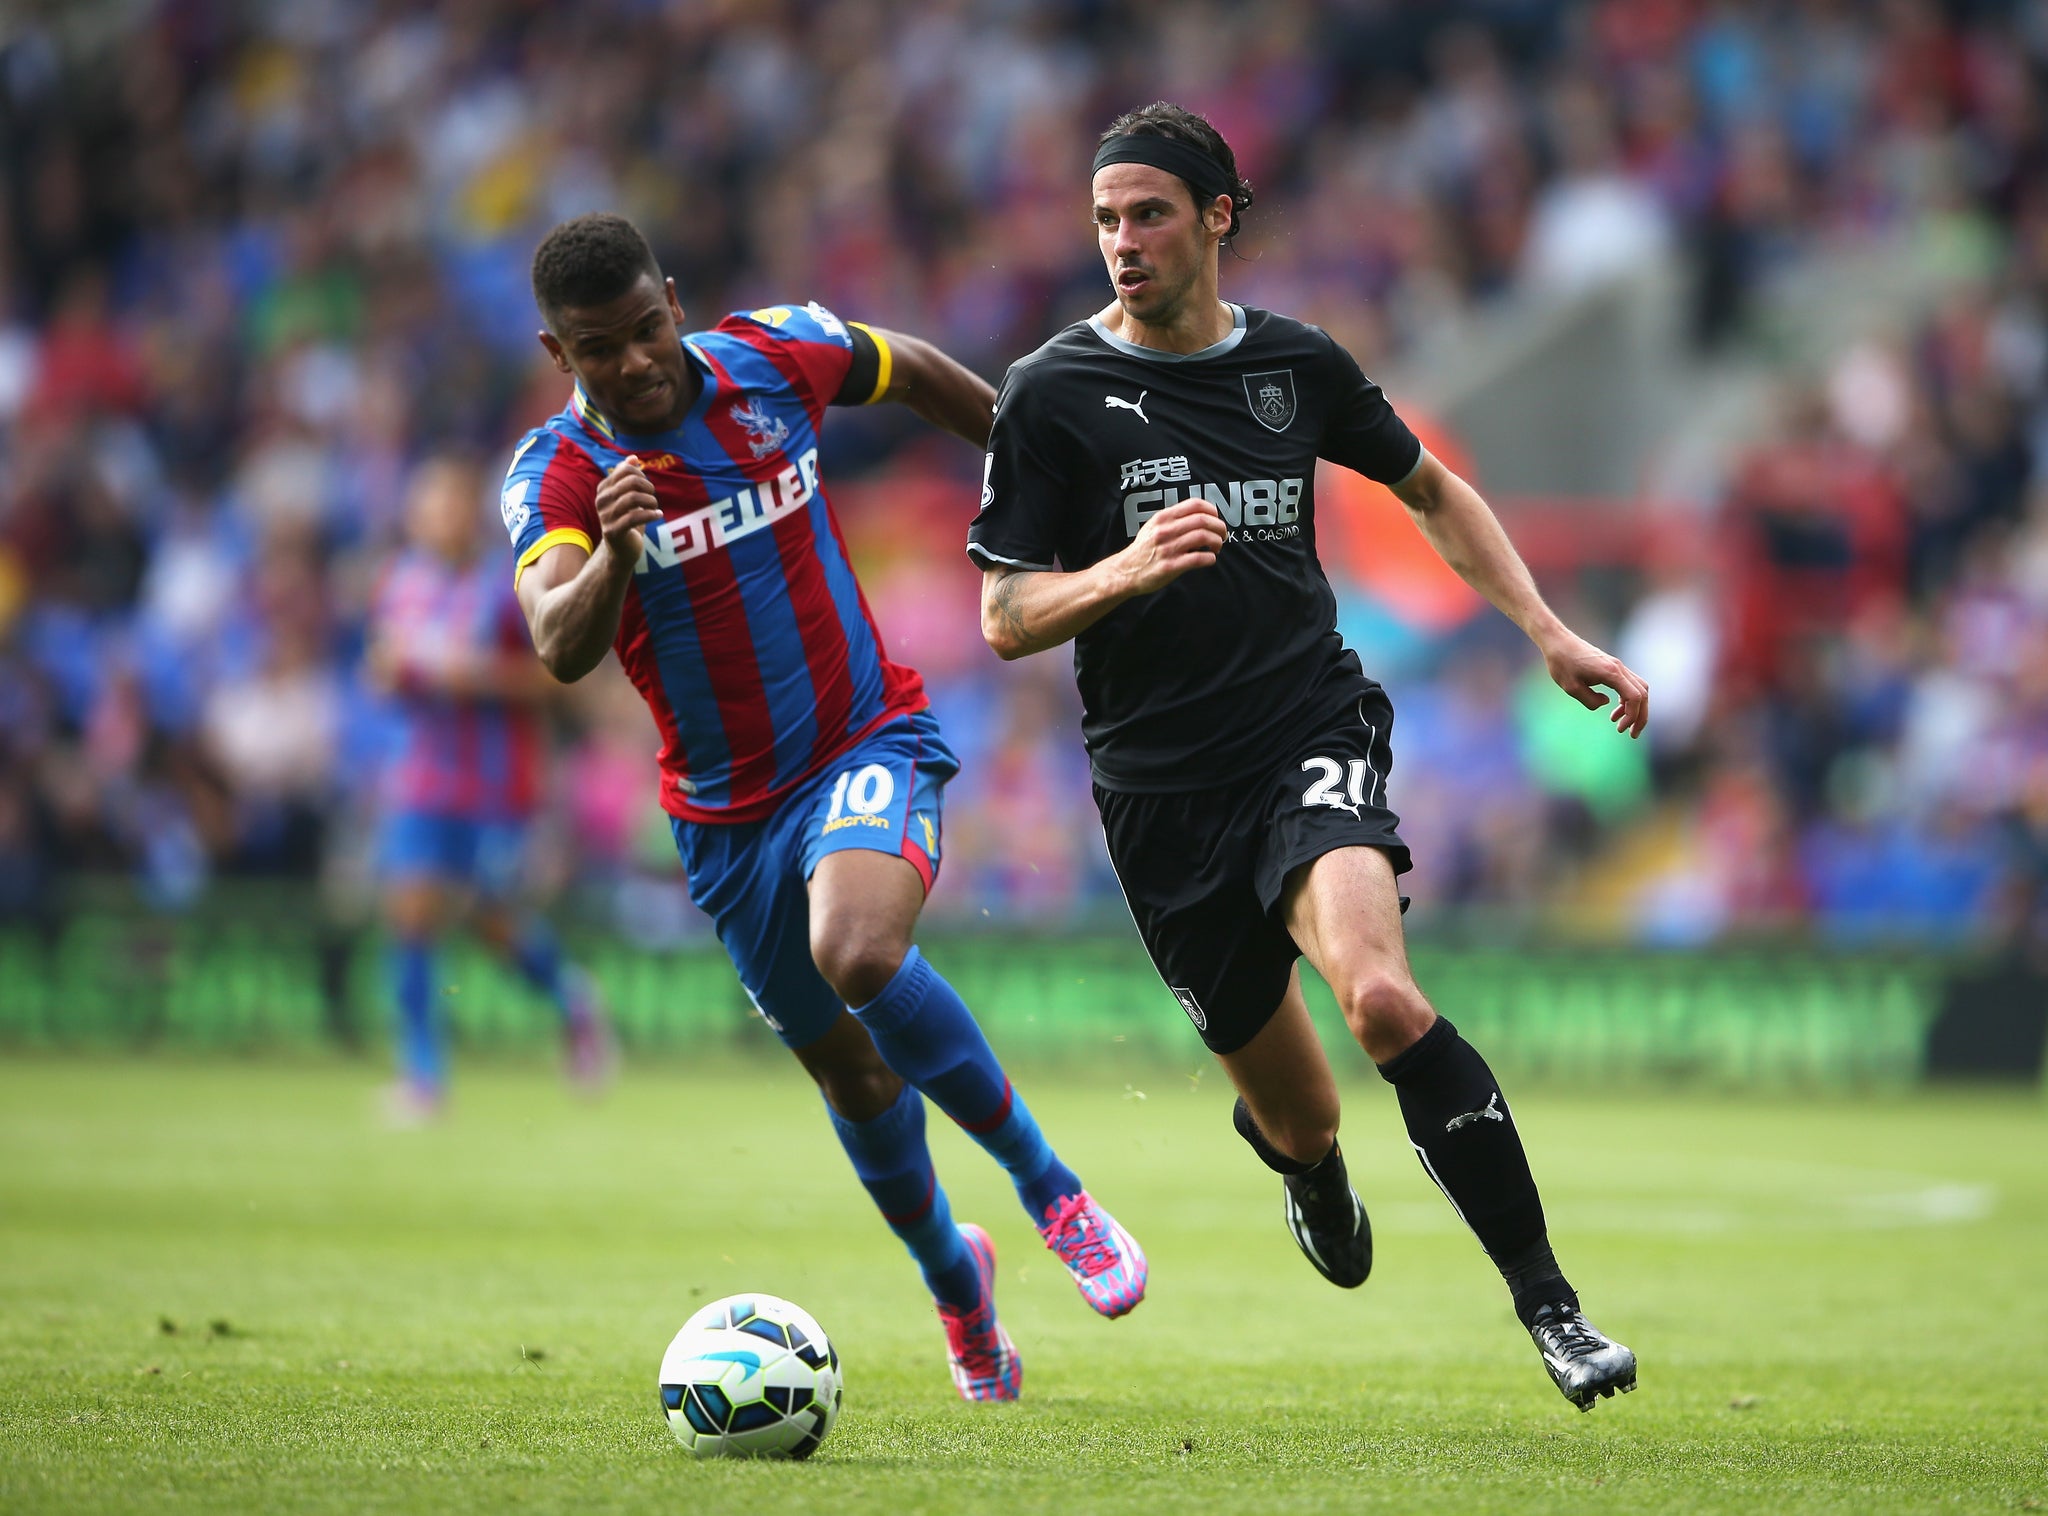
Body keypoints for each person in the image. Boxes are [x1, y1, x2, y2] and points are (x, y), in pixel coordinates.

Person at [967, 103, 1644, 1411]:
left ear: (1219, 217)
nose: (1123, 242)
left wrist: (1550, 633)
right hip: (1159, 798)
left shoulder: (1295, 367)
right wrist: (1125, 566)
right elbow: (1004, 615)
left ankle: (1554, 1312)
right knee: (1305, 1116)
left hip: (1306, 733)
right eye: (1105, 218)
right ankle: (1307, 1170)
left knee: (1382, 998)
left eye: (1150, 213)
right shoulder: (1052, 392)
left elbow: (1433, 489)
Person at [503, 213, 1146, 1402]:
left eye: (647, 329)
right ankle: (960, 1289)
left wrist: (1041, 503)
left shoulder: (772, 356)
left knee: (854, 946)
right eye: (601, 349)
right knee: (855, 1080)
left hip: (863, 735)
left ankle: (1050, 1188)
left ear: (675, 300)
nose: (636, 361)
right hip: (722, 818)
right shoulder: (557, 475)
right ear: (561, 353)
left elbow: (912, 371)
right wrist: (611, 555)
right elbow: (555, 640)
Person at [368, 456, 615, 1121]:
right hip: (421, 776)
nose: (437, 516)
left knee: (489, 918)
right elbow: (380, 667)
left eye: (449, 503)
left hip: (497, 784)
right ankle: (422, 1075)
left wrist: (471, 675)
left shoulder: (507, 588)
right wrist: (392, 671)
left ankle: (571, 1000)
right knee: (411, 909)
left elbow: (556, 679)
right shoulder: (401, 581)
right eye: (428, 504)